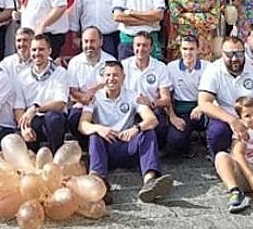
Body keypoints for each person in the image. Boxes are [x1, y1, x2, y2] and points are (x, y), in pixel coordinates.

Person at [78, 60, 174, 203]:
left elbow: (152, 119)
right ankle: (99, 184)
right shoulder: (95, 98)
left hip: (127, 144)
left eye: (115, 75)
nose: (111, 79)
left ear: (123, 77)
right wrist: (99, 128)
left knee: (148, 132)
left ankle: (150, 182)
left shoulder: (132, 95)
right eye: (108, 75)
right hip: (106, 147)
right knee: (94, 136)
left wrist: (136, 128)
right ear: (103, 78)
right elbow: (82, 125)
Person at [197, 36, 253, 157]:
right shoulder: (212, 70)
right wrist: (232, 121)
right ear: (222, 54)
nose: (234, 58)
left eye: (239, 54)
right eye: (229, 54)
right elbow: (204, 103)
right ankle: (219, 158)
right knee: (217, 132)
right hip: (225, 118)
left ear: (244, 52)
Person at [122, 30, 174, 149]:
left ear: (151, 48)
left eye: (145, 45)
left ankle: (158, 150)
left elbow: (166, 99)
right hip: (129, 108)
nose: (141, 49)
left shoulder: (160, 67)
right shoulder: (123, 66)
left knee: (159, 120)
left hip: (152, 108)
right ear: (133, 47)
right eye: (138, 45)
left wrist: (151, 103)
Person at [17, 35, 69, 153]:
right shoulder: (22, 76)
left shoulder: (60, 73)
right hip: (33, 121)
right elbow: (18, 107)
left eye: (41, 49)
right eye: (34, 50)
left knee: (53, 118)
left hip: (53, 121)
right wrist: (24, 128)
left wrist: (36, 108)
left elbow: (60, 104)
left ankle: (56, 156)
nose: (37, 53)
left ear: (49, 51)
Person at [65, 26, 114, 137]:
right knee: (74, 118)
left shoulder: (111, 61)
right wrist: (85, 99)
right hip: (83, 103)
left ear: (101, 42)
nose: (88, 45)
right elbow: (73, 91)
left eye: (92, 41)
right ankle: (84, 145)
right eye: (86, 41)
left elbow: (114, 89)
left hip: (106, 104)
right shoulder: (74, 62)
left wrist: (93, 92)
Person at [165, 36, 206, 157]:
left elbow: (214, 93)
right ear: (180, 49)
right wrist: (172, 117)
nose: (188, 53)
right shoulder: (171, 67)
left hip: (203, 108)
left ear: (198, 50)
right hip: (182, 111)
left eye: (192, 49)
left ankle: (211, 148)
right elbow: (167, 95)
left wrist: (201, 107)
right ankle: (187, 146)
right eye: (185, 49)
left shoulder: (208, 67)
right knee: (175, 139)